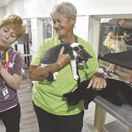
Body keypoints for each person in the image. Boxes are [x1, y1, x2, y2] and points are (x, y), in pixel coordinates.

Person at [29, 2, 107, 132]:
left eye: (59, 21)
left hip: (71, 110)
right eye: (53, 22)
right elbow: (32, 74)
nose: (55, 26)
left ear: (72, 20)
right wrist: (57, 65)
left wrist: (98, 77)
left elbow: (94, 72)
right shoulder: (46, 45)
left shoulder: (84, 46)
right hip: (42, 104)